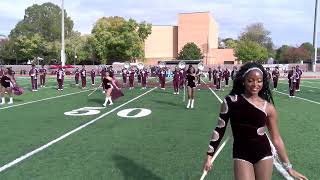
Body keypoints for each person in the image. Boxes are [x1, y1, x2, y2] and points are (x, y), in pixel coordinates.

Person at [202, 62, 307, 180]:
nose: (255, 84)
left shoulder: (268, 108)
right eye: (250, 80)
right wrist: (209, 155)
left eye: (259, 81)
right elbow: (219, 129)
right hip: (241, 153)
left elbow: (276, 138)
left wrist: (289, 167)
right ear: (243, 81)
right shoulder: (230, 101)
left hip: (264, 154)